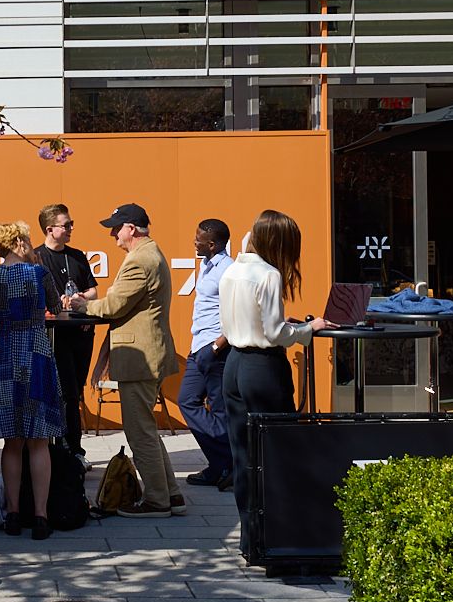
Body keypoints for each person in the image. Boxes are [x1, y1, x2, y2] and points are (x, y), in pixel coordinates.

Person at [220, 211, 328, 558]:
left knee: (243, 453)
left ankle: (250, 540)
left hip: (234, 364)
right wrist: (309, 330)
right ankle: (276, 538)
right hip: (262, 367)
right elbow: (275, 333)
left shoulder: (232, 270)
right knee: (275, 451)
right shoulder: (268, 275)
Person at [63, 203, 181, 518]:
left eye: (116, 227)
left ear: (131, 228)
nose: (113, 234)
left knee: (139, 431)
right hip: (146, 354)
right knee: (146, 429)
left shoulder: (140, 260)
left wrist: (80, 305)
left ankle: (157, 501)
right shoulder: (149, 255)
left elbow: (114, 306)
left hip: (140, 358)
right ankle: (170, 493)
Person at [0, 220, 66, 538]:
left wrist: (5, 318)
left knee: (12, 441)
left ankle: (12, 514)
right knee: (38, 440)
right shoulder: (38, 273)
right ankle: (40, 516)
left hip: (4, 356)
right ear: (19, 242)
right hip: (37, 355)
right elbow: (56, 307)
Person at [31, 203, 97, 456]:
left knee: (75, 391)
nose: (71, 228)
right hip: (55, 336)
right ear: (50, 229)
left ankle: (69, 450)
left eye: (71, 224)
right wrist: (54, 301)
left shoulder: (78, 256)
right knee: (67, 392)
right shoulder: (36, 258)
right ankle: (70, 450)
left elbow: (93, 289)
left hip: (81, 334)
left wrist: (82, 296)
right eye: (66, 225)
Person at [177, 218, 235, 491]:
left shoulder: (228, 270)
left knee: (220, 409)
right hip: (198, 346)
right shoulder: (207, 264)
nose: (194, 241)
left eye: (198, 238)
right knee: (187, 400)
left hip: (216, 350)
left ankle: (221, 466)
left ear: (211, 244)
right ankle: (225, 460)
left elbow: (236, 315)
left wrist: (216, 346)